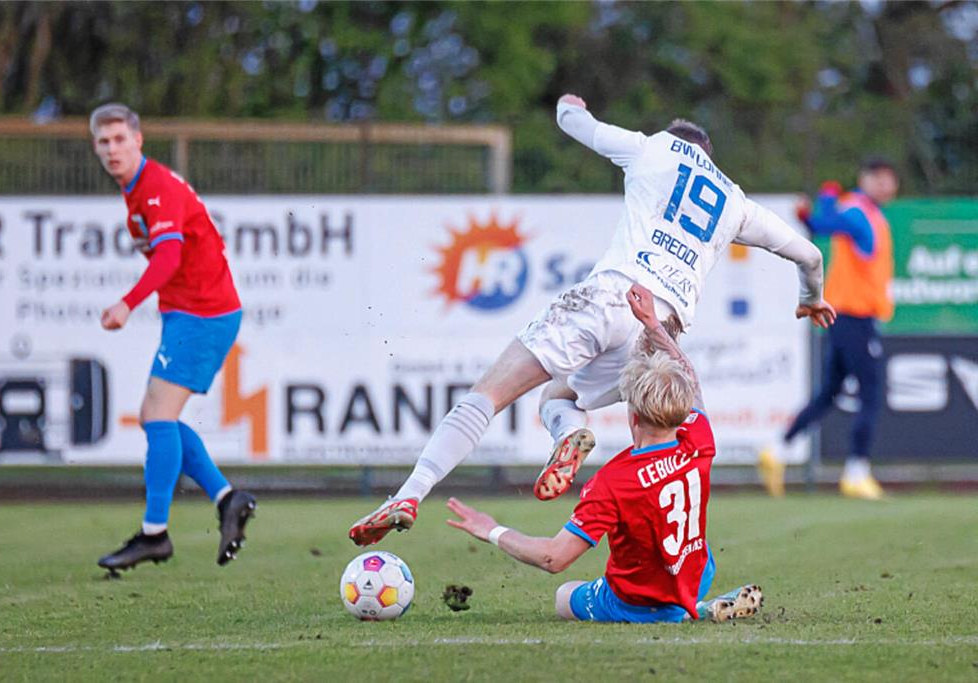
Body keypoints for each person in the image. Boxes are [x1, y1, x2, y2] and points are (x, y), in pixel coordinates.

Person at [349, 93, 835, 547]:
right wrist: (811, 299)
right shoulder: (734, 203)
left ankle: (410, 493)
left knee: (489, 395)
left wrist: (567, 106)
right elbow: (810, 255)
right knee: (558, 396)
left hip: (609, 296)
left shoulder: (650, 149)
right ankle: (569, 437)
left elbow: (578, 125)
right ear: (709, 154)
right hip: (657, 334)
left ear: (675, 137)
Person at [446, 284, 761, 623]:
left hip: (638, 602)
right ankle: (691, 604)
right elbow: (690, 379)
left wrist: (491, 529)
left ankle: (684, 614)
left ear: (633, 414)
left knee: (564, 597)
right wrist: (652, 324)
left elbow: (554, 558)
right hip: (696, 576)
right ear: (680, 407)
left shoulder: (613, 480)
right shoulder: (698, 439)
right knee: (683, 548)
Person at [89, 103, 257, 575]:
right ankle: (228, 499)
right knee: (155, 417)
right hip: (191, 313)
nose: (112, 149)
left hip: (203, 314)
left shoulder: (156, 188)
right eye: (103, 142)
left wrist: (127, 302)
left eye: (120, 139)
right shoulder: (138, 190)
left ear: (138, 140)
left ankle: (155, 534)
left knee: (158, 417)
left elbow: (167, 257)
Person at [758, 158, 897, 500]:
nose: (886, 186)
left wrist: (817, 211)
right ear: (863, 179)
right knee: (871, 392)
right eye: (878, 178)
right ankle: (857, 471)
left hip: (847, 317)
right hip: (854, 317)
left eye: (890, 180)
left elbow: (822, 223)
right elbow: (825, 224)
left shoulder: (870, 214)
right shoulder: (858, 210)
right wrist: (821, 204)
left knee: (830, 392)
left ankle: (776, 449)